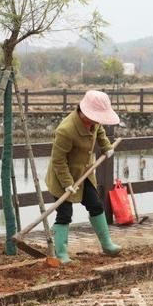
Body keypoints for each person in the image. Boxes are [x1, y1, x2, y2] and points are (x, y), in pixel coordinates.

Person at [45, 90, 121, 264]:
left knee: (95, 204)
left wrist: (106, 146)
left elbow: (99, 132)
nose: (98, 121)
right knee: (64, 214)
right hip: (62, 177)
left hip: (84, 174)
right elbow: (58, 161)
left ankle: (107, 244)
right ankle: (61, 253)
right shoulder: (66, 130)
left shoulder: (94, 123)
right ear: (84, 112)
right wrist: (67, 183)